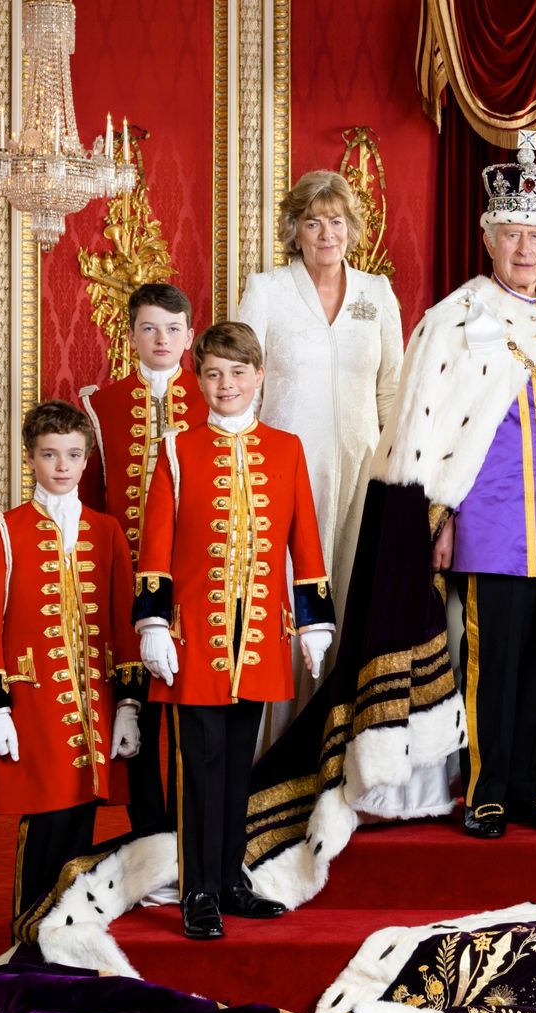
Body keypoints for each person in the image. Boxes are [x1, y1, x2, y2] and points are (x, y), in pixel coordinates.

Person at [379, 130, 536, 838]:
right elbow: (428, 422)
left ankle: (534, 787)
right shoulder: (456, 319)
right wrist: (435, 518)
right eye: (511, 234)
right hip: (492, 523)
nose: (523, 248)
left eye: (535, 235)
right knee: (491, 663)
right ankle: (487, 790)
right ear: (489, 239)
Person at [133, 322, 334, 940]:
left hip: (259, 640)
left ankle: (229, 879)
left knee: (236, 766)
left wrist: (314, 622)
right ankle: (197, 888)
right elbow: (156, 544)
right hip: (192, 639)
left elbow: (304, 540)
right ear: (198, 380)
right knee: (199, 766)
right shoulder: (176, 448)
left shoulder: (286, 448)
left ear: (259, 377)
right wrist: (153, 624)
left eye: (238, 373)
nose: (226, 385)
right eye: (214, 374)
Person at [0, 401, 144, 927]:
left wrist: (128, 707)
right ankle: (28, 926)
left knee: (81, 819)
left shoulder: (106, 530)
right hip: (32, 704)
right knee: (43, 815)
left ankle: (67, 928)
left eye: (72, 454)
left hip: (94, 706)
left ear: (88, 458)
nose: (62, 466)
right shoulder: (5, 529)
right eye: (49, 454)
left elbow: (121, 623)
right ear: (30, 458)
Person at [236, 172, 404, 697]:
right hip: (284, 472)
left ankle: (339, 733)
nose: (326, 234)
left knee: (353, 597)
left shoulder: (377, 294)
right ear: (295, 229)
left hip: (361, 469)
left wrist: (396, 472)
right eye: (313, 223)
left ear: (351, 228)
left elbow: (391, 392)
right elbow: (244, 386)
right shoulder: (267, 291)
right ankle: (278, 748)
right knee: (287, 602)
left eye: (336, 222)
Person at [79, 281, 197, 836]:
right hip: (124, 582)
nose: (161, 339)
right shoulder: (100, 404)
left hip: (193, 584)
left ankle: (193, 831)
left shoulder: (210, 394)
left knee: (191, 711)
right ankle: (149, 831)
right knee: (135, 705)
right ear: (130, 335)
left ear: (190, 336)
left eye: (173, 329)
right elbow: (93, 502)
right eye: (149, 328)